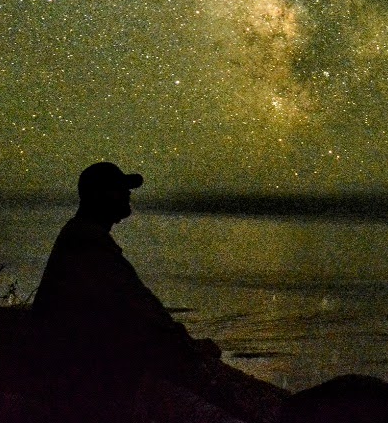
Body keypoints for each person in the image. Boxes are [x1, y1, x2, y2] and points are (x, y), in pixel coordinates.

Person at [32, 162, 281, 423]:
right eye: (119, 189)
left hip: (70, 368)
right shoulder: (88, 241)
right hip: (75, 374)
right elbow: (137, 302)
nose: (128, 195)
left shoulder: (82, 235)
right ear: (98, 196)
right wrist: (186, 344)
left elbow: (130, 302)